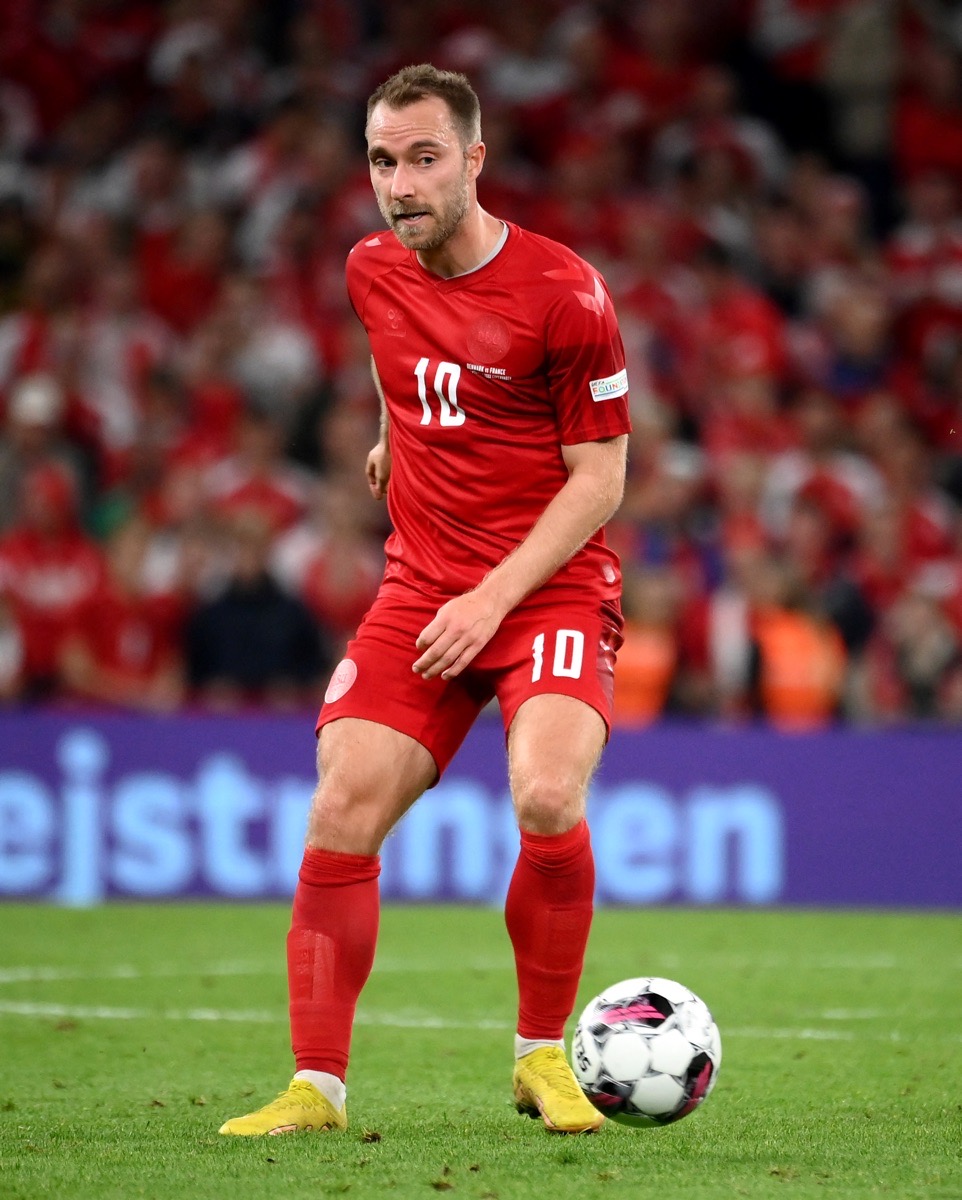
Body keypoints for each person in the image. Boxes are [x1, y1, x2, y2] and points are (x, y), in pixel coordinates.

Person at [219, 63, 631, 1139]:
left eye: (422, 158)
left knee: (545, 795)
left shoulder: (566, 294)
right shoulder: (370, 269)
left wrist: (493, 600)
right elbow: (398, 363)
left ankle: (541, 1058)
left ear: (474, 161)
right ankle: (317, 1087)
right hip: (423, 582)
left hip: (541, 588)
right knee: (340, 804)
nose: (398, 183)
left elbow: (600, 479)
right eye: (380, 160)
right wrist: (393, 435)